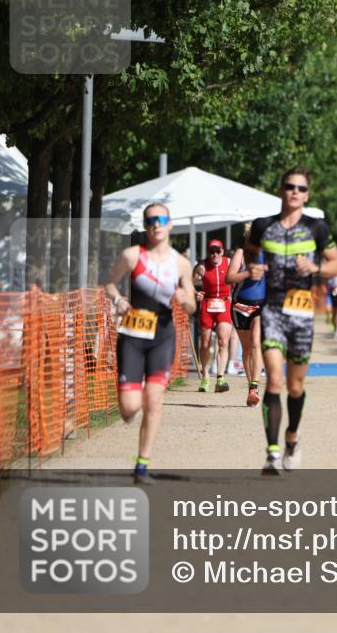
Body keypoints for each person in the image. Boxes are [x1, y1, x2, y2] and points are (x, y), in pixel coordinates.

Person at [246, 166, 337, 474]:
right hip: (272, 309)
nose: (295, 192)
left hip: (301, 312)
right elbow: (251, 252)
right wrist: (254, 267)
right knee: (273, 379)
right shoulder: (263, 226)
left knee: (295, 385)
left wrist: (314, 269)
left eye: (301, 188)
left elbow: (336, 265)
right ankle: (272, 453)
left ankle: (291, 438)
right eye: (290, 186)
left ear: (307, 195)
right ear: (281, 190)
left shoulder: (317, 228)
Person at [105, 203, 196, 484]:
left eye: (161, 219)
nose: (156, 224)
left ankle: (142, 465)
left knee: (154, 401)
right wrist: (119, 299)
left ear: (170, 224)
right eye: (150, 220)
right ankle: (132, 401)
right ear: (146, 226)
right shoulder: (132, 256)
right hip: (133, 335)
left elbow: (192, 304)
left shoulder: (181, 263)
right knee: (130, 408)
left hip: (162, 335)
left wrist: (185, 300)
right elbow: (109, 284)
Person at [226, 223, 266, 407]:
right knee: (247, 348)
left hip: (261, 305)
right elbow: (229, 278)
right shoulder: (241, 253)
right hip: (241, 305)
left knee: (257, 342)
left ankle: (254, 388)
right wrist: (248, 273)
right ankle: (250, 385)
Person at [193, 239, 233, 393]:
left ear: (222, 252)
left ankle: (220, 378)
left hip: (224, 304)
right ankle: (205, 376)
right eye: (211, 252)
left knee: (223, 341)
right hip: (208, 305)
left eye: (218, 251)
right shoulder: (202, 266)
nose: (214, 255)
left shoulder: (229, 263)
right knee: (205, 343)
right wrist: (196, 293)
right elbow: (188, 280)